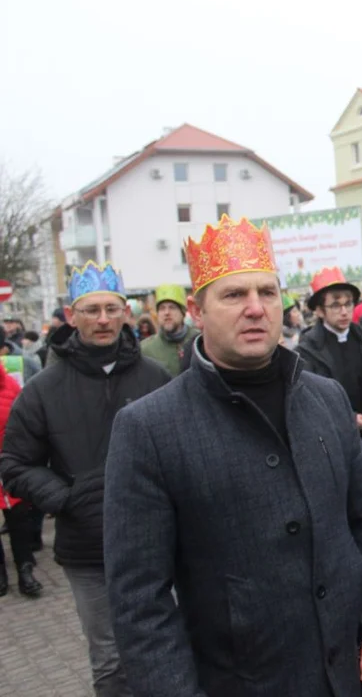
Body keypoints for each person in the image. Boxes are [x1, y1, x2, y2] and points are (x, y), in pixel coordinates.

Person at [103, 214, 362, 697]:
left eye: (267, 292)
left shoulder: (326, 398)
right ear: (197, 310)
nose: (256, 308)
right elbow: (140, 601)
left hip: (352, 676)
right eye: (233, 295)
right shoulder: (149, 428)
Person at [0, 260, 171, 697]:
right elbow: (14, 462)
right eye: (92, 310)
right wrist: (66, 496)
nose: (103, 319)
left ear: (126, 312)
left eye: (112, 309)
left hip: (160, 543)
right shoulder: (45, 388)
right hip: (87, 548)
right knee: (111, 661)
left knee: (167, 647)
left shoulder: (157, 379)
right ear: (72, 315)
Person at [297, 266, 362, 476]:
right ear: (320, 310)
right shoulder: (308, 349)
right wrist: (348, 418)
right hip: (332, 439)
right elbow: (309, 400)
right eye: (336, 305)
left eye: (348, 303)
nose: (344, 311)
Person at [0, 360, 42, 598]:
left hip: (10, 462)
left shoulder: (10, 385)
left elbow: (26, 421)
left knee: (19, 521)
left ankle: (26, 571)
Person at [138, 284, 198, 377]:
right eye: (162, 308)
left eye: (172, 307)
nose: (166, 313)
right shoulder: (145, 349)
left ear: (183, 313)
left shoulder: (200, 341)